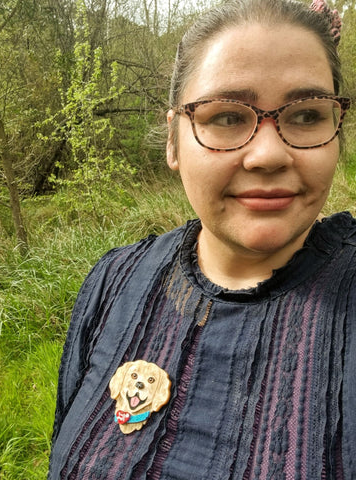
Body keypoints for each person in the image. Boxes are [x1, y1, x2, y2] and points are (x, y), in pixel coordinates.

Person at [48, 0, 356, 478]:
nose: (268, 155)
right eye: (228, 118)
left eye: (308, 115)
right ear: (174, 141)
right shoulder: (114, 283)